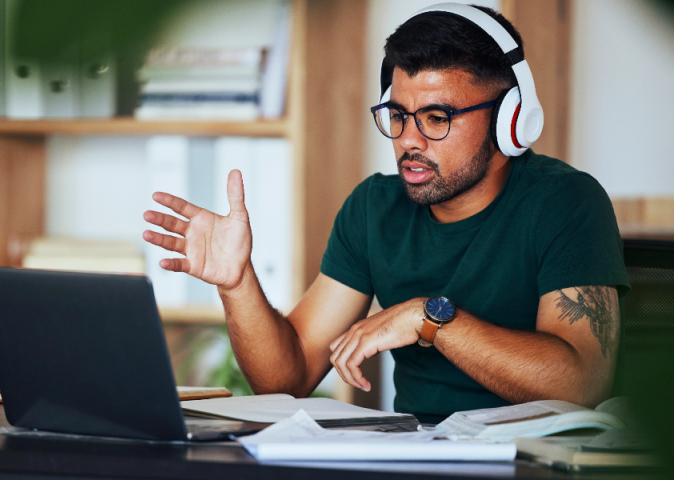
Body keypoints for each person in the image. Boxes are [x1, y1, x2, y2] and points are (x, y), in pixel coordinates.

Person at [143, 4, 631, 424]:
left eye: (437, 118)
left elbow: (580, 384)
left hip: (532, 462)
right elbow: (287, 378)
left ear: (511, 119)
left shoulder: (567, 203)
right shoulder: (375, 207)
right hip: (418, 456)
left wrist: (431, 319)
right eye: (397, 116)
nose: (410, 141)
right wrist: (237, 283)